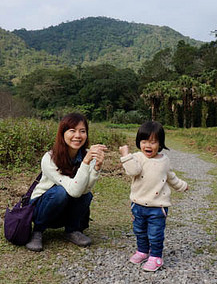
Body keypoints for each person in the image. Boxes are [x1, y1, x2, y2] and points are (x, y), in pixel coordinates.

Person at [26, 113, 107, 252]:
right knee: (60, 192)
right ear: (62, 133)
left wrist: (96, 168)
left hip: (64, 207)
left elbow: (85, 189)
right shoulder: (50, 158)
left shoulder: (87, 155)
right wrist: (86, 162)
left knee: (86, 195)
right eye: (72, 131)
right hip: (42, 206)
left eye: (82, 131)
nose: (78, 135)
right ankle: (38, 231)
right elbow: (73, 191)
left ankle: (72, 230)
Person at [118, 121, 188, 271]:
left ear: (160, 143)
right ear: (139, 143)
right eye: (144, 141)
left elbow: (171, 178)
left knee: (155, 233)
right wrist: (125, 155)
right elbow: (133, 171)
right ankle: (143, 251)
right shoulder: (136, 158)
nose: (148, 146)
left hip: (158, 207)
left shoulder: (164, 161)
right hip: (137, 205)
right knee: (139, 231)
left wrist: (182, 186)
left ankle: (156, 256)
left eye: (153, 142)